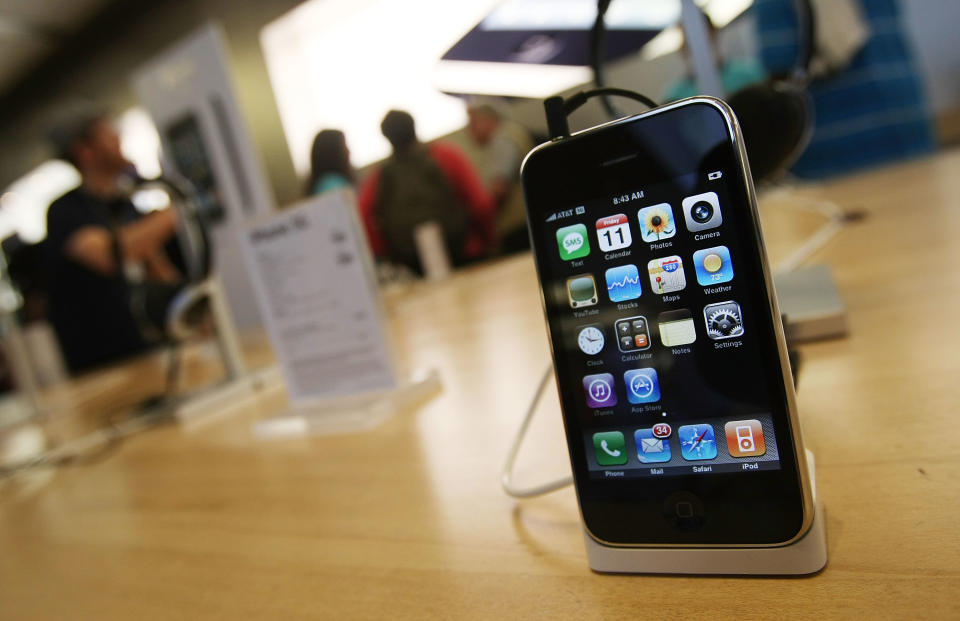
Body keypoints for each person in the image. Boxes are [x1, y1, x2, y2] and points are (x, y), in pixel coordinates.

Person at [45, 106, 181, 373]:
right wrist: (179, 207)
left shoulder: (126, 206)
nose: (118, 140)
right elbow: (111, 255)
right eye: (108, 135)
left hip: (150, 352)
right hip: (102, 368)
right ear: (85, 150)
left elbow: (156, 267)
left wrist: (188, 313)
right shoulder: (66, 211)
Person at [357, 110, 494, 273]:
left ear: (386, 137)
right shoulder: (446, 156)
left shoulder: (379, 177)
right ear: (414, 126)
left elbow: (363, 219)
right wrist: (488, 241)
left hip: (414, 268)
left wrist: (389, 254)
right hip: (466, 253)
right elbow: (481, 205)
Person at [466, 103, 533, 254]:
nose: (469, 132)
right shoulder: (512, 134)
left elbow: (498, 187)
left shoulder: (502, 141)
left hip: (518, 227)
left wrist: (477, 214)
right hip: (525, 223)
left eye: (472, 124)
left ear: (488, 120)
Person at [305, 129, 354, 196]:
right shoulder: (330, 185)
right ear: (333, 152)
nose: (349, 151)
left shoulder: (329, 182)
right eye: (344, 146)